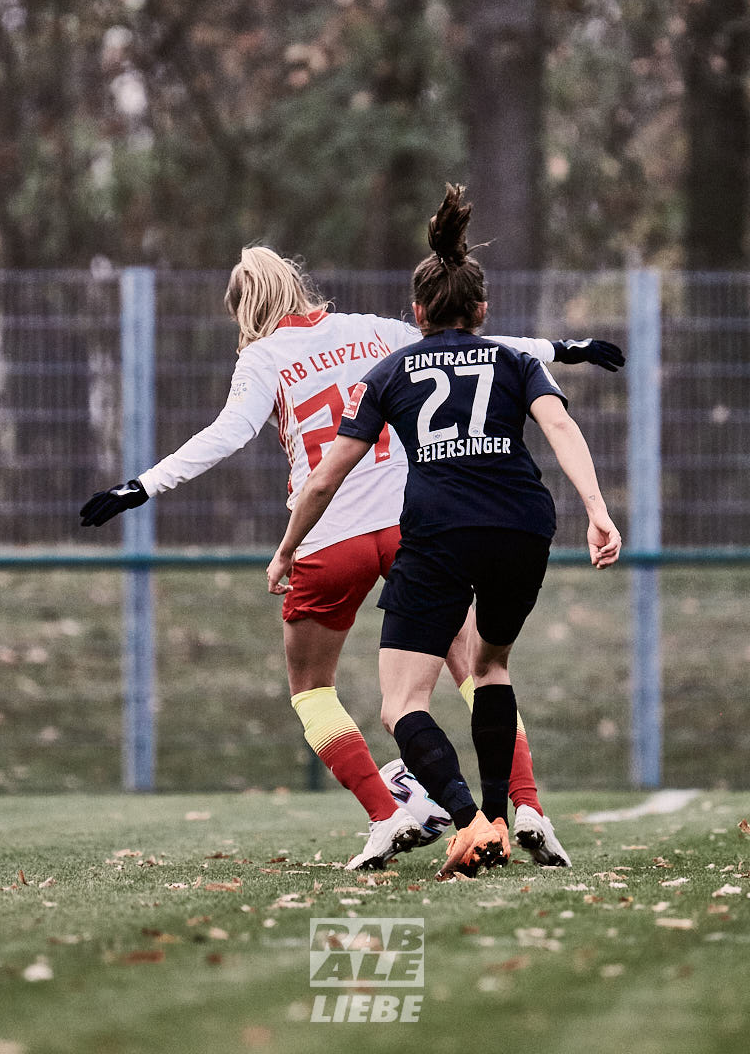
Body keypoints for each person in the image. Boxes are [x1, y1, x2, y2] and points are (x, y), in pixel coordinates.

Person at [80, 245, 622, 870]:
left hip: (327, 536)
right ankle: (524, 806)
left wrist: (142, 486)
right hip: (410, 526)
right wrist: (565, 349)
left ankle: (388, 815)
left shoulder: (262, 357)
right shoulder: (373, 330)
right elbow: (472, 348)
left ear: (243, 310)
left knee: (312, 688)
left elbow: (228, 434)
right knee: (480, 668)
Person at [266, 185, 621, 879]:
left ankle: (469, 820)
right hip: (523, 524)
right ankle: (503, 816)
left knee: (402, 703)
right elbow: (559, 425)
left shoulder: (390, 371)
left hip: (439, 534)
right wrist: (598, 509)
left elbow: (325, 479)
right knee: (490, 668)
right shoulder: (515, 361)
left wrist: (286, 550)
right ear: (482, 311)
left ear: (418, 313)